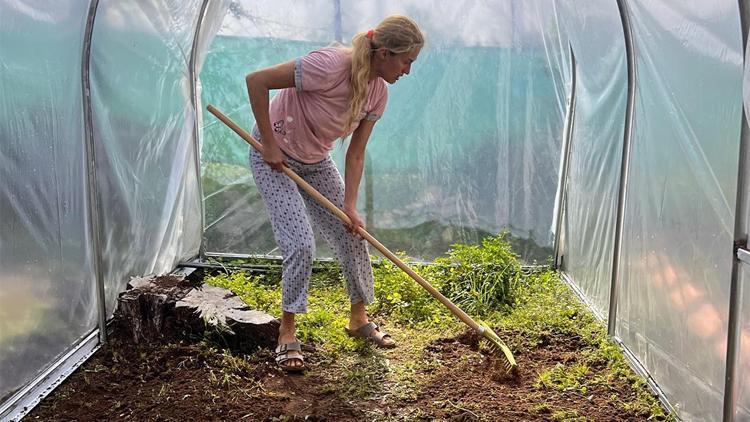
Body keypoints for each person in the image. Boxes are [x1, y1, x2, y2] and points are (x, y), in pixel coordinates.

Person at [245, 14, 424, 372]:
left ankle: (358, 320)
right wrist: (268, 144)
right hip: (274, 157)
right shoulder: (327, 66)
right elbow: (257, 80)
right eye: (407, 61)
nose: (408, 70)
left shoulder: (378, 93)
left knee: (352, 233)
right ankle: (287, 331)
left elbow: (355, 153)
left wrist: (351, 206)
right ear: (385, 53)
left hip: (315, 160)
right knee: (300, 243)